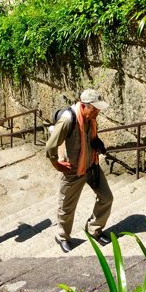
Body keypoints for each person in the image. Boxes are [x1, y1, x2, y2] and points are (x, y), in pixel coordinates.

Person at [46, 88, 114, 253]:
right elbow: (50, 146)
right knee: (67, 207)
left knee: (106, 198)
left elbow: (89, 138)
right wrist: (57, 165)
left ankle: (94, 229)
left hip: (91, 165)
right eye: (94, 107)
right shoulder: (69, 119)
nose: (98, 111)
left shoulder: (91, 118)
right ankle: (62, 236)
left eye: (98, 108)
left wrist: (98, 143)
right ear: (84, 106)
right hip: (74, 170)